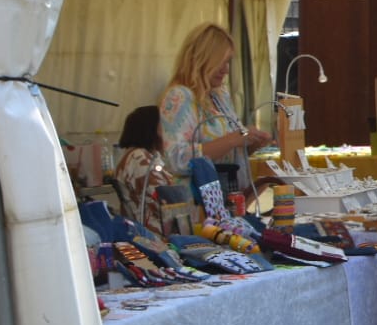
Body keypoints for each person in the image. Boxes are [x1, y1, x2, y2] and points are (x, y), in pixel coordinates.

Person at [158, 23, 272, 188]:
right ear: (202, 59)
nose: (226, 70)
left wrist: (251, 143)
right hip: (201, 205)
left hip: (230, 197)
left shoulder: (219, 95)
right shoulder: (179, 98)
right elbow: (175, 159)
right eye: (221, 62)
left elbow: (228, 153)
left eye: (228, 62)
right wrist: (232, 140)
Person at [114, 105, 174, 234]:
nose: (165, 131)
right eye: (161, 125)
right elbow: (162, 200)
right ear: (153, 129)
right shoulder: (139, 158)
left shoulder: (136, 156)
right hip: (153, 235)